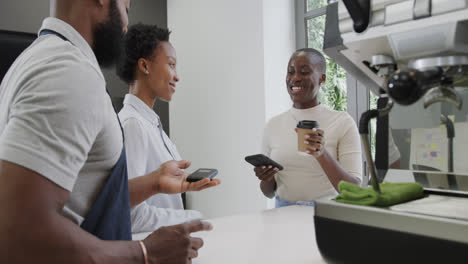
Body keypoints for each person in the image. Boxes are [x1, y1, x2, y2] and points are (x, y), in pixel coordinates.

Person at [0, 0, 213, 263]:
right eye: (126, 6)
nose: (125, 23)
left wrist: (154, 183)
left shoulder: (37, 60)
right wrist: (145, 253)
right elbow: (19, 232)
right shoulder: (69, 71)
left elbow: (82, 199)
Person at [116, 23, 220, 233]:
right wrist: (192, 218)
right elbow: (131, 216)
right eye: (171, 65)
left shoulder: (149, 123)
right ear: (145, 66)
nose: (177, 76)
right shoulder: (133, 124)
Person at [253, 48, 362, 208]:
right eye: (290, 72)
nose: (295, 78)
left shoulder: (342, 122)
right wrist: (266, 178)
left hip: (326, 215)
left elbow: (354, 190)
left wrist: (322, 154)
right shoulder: (273, 125)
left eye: (304, 72)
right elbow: (269, 192)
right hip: (284, 214)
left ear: (322, 79)